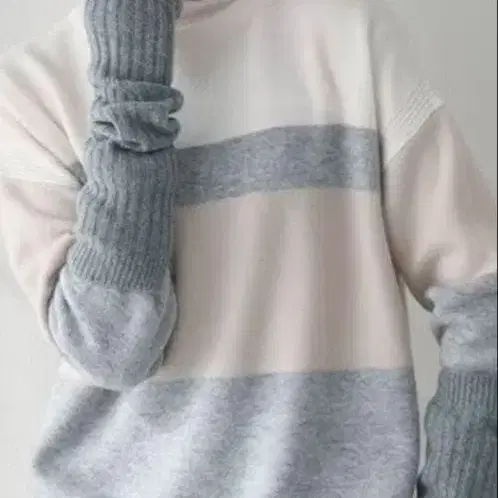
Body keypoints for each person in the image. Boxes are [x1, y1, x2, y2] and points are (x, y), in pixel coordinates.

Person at [0, 0, 496, 496]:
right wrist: (129, 96)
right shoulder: (33, 91)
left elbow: (483, 298)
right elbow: (112, 349)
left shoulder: (348, 37)